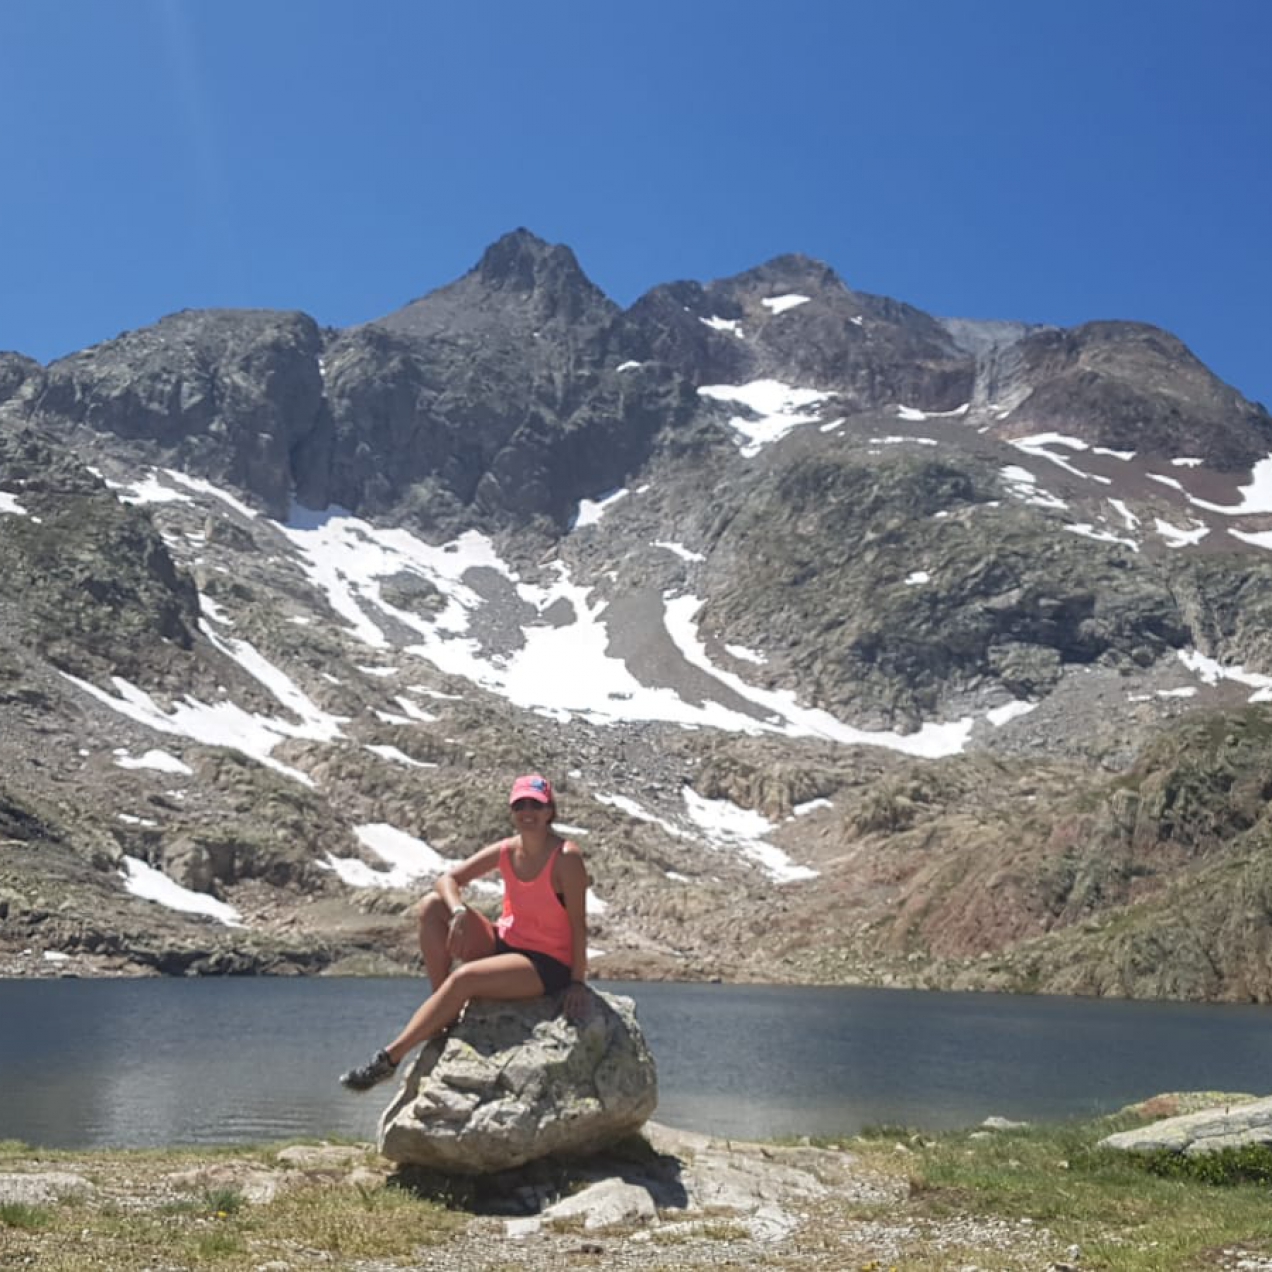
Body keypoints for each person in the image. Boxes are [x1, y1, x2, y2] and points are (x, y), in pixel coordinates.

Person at [340, 773, 591, 1091]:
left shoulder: (566, 858)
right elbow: (446, 880)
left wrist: (578, 982)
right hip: (506, 943)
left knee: (466, 978)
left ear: (549, 811)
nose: (528, 812)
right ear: (511, 811)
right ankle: (441, 1013)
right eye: (520, 805)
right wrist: (458, 910)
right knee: (432, 907)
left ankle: (388, 1059)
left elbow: (578, 925)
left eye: (536, 805)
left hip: (547, 964)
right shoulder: (506, 850)